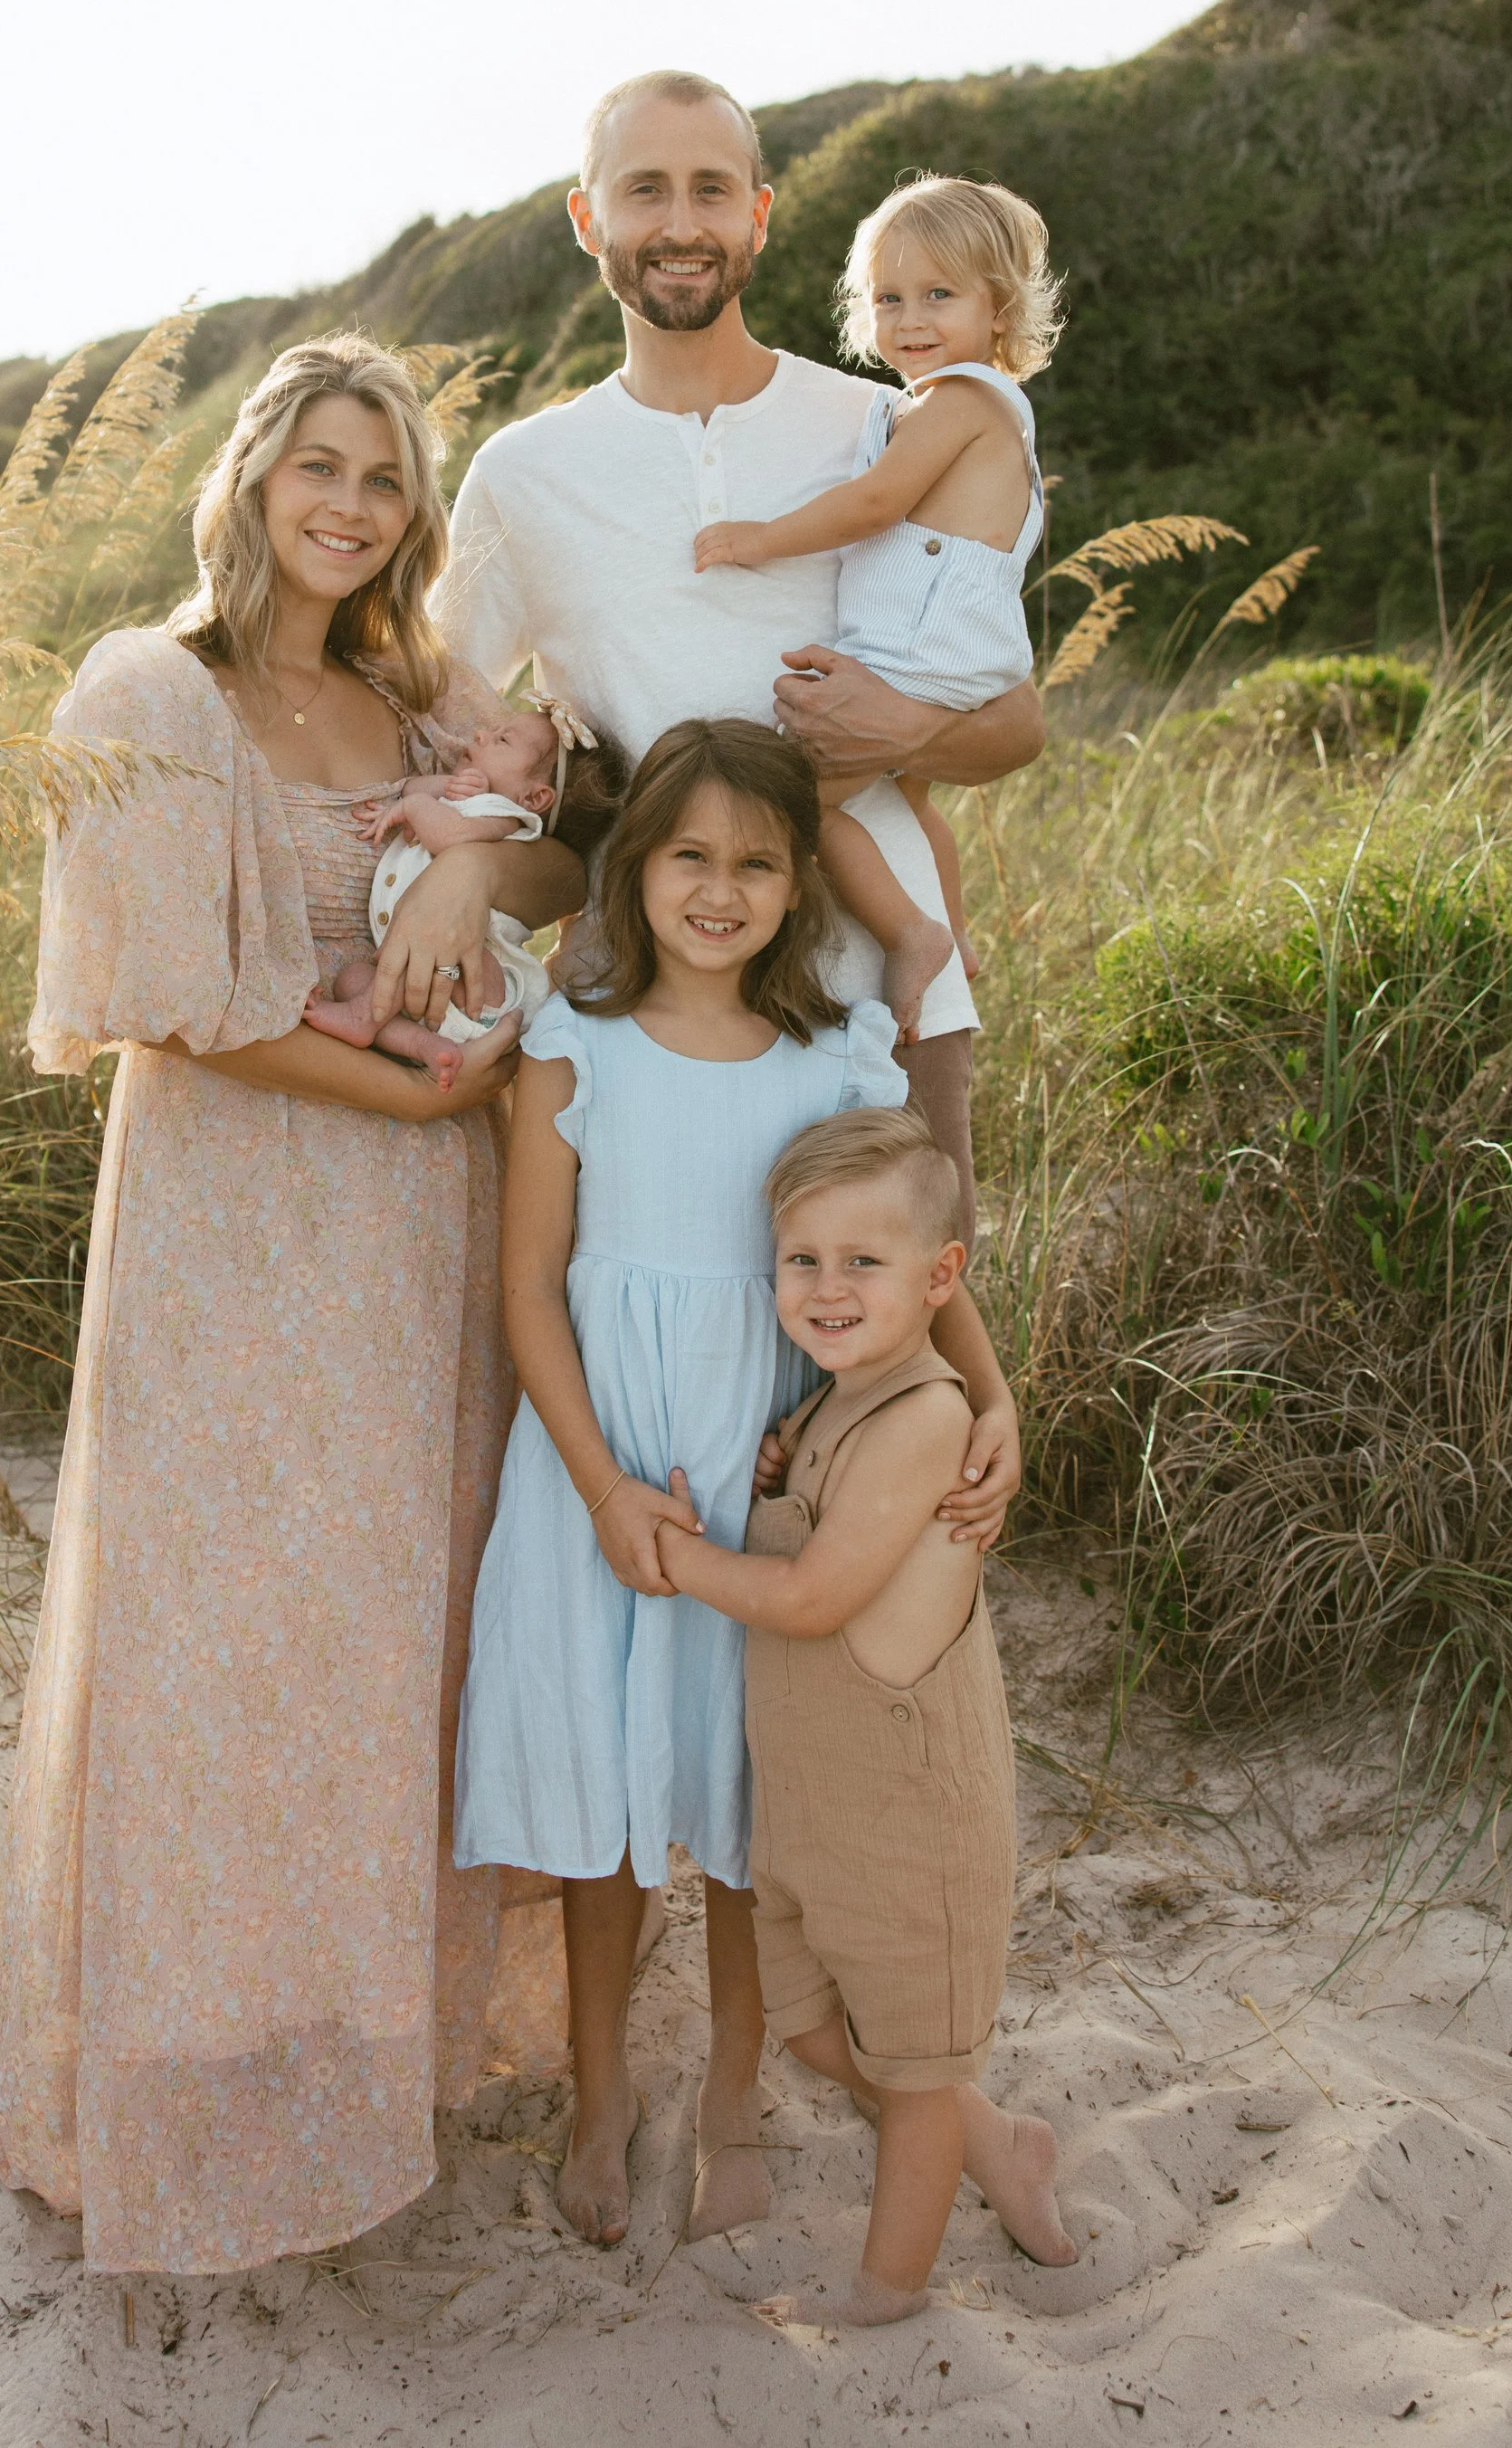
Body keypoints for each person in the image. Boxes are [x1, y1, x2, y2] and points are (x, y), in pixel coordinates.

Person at [0, 331, 584, 2276]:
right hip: (238, 1224)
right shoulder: (154, 687)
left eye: (384, 477)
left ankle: (363, 2040)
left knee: (385, 1622)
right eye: (320, 465)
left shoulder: (410, 686)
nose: (350, 505)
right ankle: (187, 2071)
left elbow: (550, 826)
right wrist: (396, 1079)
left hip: (417, 1236)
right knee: (219, 1635)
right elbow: (161, 999)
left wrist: (473, 873)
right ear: (249, 477)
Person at [453, 718, 1024, 2253]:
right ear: (635, 869)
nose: (720, 888)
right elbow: (527, 1298)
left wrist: (998, 1390)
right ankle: (600, 2097)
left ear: (794, 890)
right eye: (689, 856)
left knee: (740, 1791)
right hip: (602, 1471)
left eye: (756, 863)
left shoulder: (834, 1056)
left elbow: (910, 1251)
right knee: (604, 1800)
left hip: (765, 1476)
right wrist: (600, 1490)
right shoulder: (579, 1049)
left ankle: (730, 2094)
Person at [442, 66, 1046, 1268]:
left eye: (711, 190)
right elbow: (438, 724)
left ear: (759, 216)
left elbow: (1014, 718)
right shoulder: (522, 474)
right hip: (638, 1016)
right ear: (588, 218)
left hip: (874, 1000)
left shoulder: (881, 425)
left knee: (883, 1377)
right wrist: (464, 883)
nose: (680, 223)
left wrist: (905, 736)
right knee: (652, 1369)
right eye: (645, 190)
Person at [652, 1104, 1078, 2324]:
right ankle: (1002, 2142)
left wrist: (678, 1557)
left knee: (916, 2069)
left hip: (907, 1821)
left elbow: (809, 1596)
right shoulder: (839, 1398)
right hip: (814, 1808)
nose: (826, 1290)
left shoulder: (930, 1416)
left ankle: (888, 2295)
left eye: (864, 1263)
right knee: (810, 2031)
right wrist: (785, 1466)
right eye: (803, 1261)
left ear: (943, 1277)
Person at [694, 176, 1057, 1045]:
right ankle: (957, 940)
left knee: (797, 806)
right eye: (889, 298)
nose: (911, 320)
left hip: (921, 651)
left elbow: (872, 505)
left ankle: (911, 933)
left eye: (940, 295)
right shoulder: (949, 407)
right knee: (915, 802)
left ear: (999, 310)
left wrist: (760, 539)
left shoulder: (960, 400)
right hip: (958, 648)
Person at [302, 694, 630, 1088]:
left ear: (535, 798)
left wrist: (416, 808)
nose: (481, 734)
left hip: (474, 984)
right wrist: (448, 786)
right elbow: (410, 789)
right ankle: (421, 1045)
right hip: (426, 986)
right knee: (354, 980)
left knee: (385, 982)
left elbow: (448, 835)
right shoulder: (473, 803)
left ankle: (365, 1018)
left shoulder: (508, 819)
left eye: (502, 740)